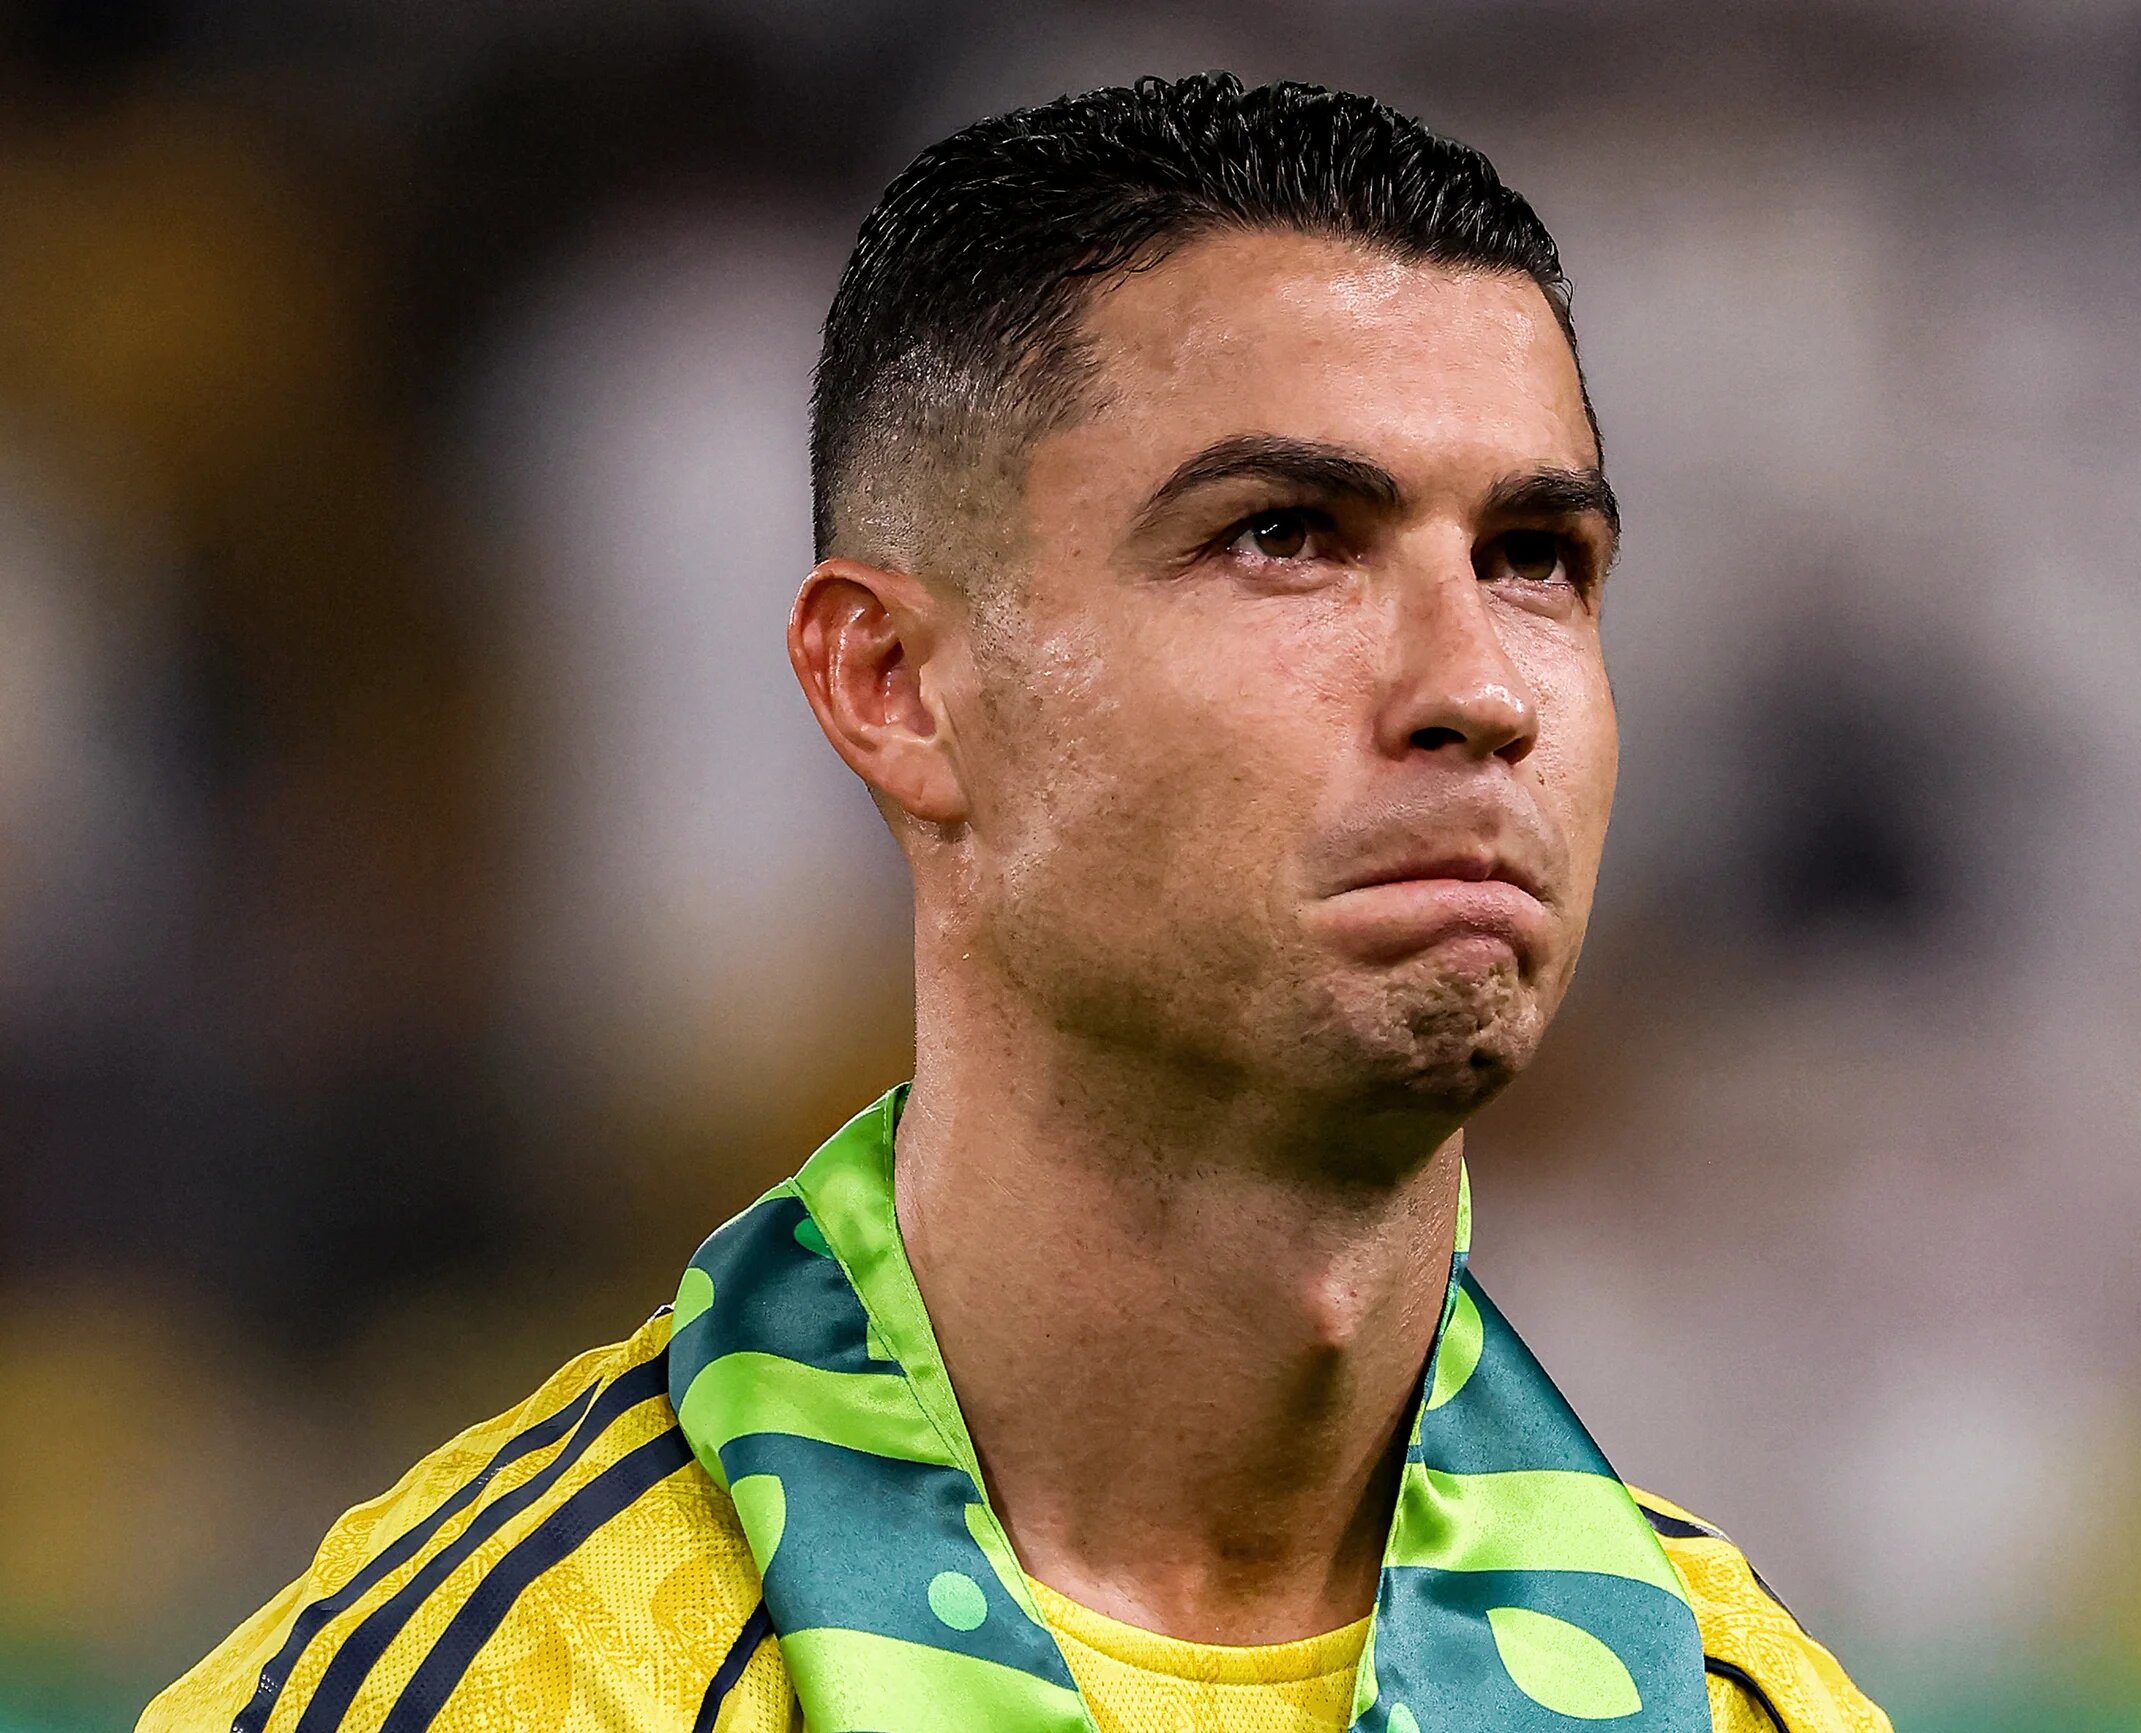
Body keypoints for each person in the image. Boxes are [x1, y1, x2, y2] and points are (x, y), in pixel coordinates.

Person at [144, 73, 1891, 1733]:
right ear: (896, 682)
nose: (1481, 687)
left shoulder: (1747, 1700)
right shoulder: (504, 1686)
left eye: (1534, 560)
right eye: (1286, 533)